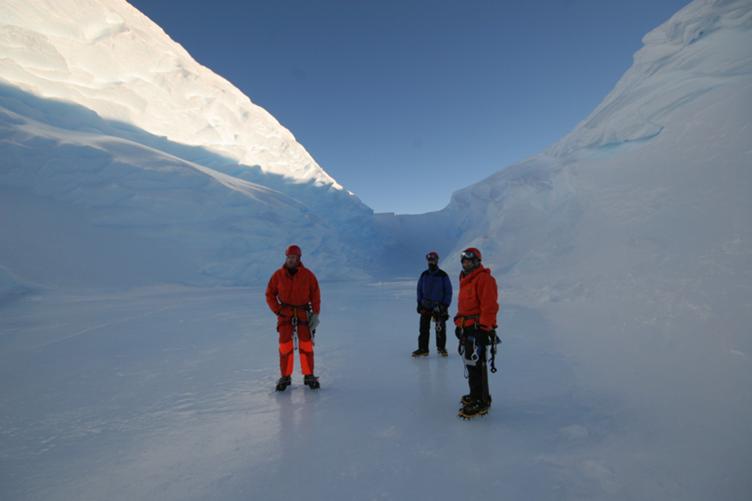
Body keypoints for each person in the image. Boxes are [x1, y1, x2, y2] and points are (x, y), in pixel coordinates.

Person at [265, 244, 321, 391]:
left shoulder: (308, 275)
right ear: (286, 258)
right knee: (285, 346)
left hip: (303, 314)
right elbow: (269, 294)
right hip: (285, 315)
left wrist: (315, 314)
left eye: (294, 257)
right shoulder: (278, 275)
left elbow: (315, 295)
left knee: (306, 346)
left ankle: (309, 375)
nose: (291, 260)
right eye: (289, 257)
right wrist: (278, 310)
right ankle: (285, 377)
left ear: (299, 258)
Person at [454, 247, 500, 419]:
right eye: (464, 261)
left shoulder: (484, 279)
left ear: (477, 262)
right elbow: (464, 306)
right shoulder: (466, 279)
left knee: (477, 364)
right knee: (470, 363)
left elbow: (489, 306)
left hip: (477, 328)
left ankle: (481, 400)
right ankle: (475, 395)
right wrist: (459, 323)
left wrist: (484, 328)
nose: (466, 263)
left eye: (469, 261)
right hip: (467, 327)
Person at [413, 251, 453, 357]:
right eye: (429, 260)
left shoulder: (443, 275)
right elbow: (419, 290)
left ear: (437, 260)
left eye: (433, 259)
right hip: (426, 306)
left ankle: (441, 348)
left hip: (439, 306)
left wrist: (445, 305)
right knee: (423, 329)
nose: (431, 262)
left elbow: (448, 291)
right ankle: (423, 349)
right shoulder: (424, 275)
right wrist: (419, 303)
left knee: (440, 329)